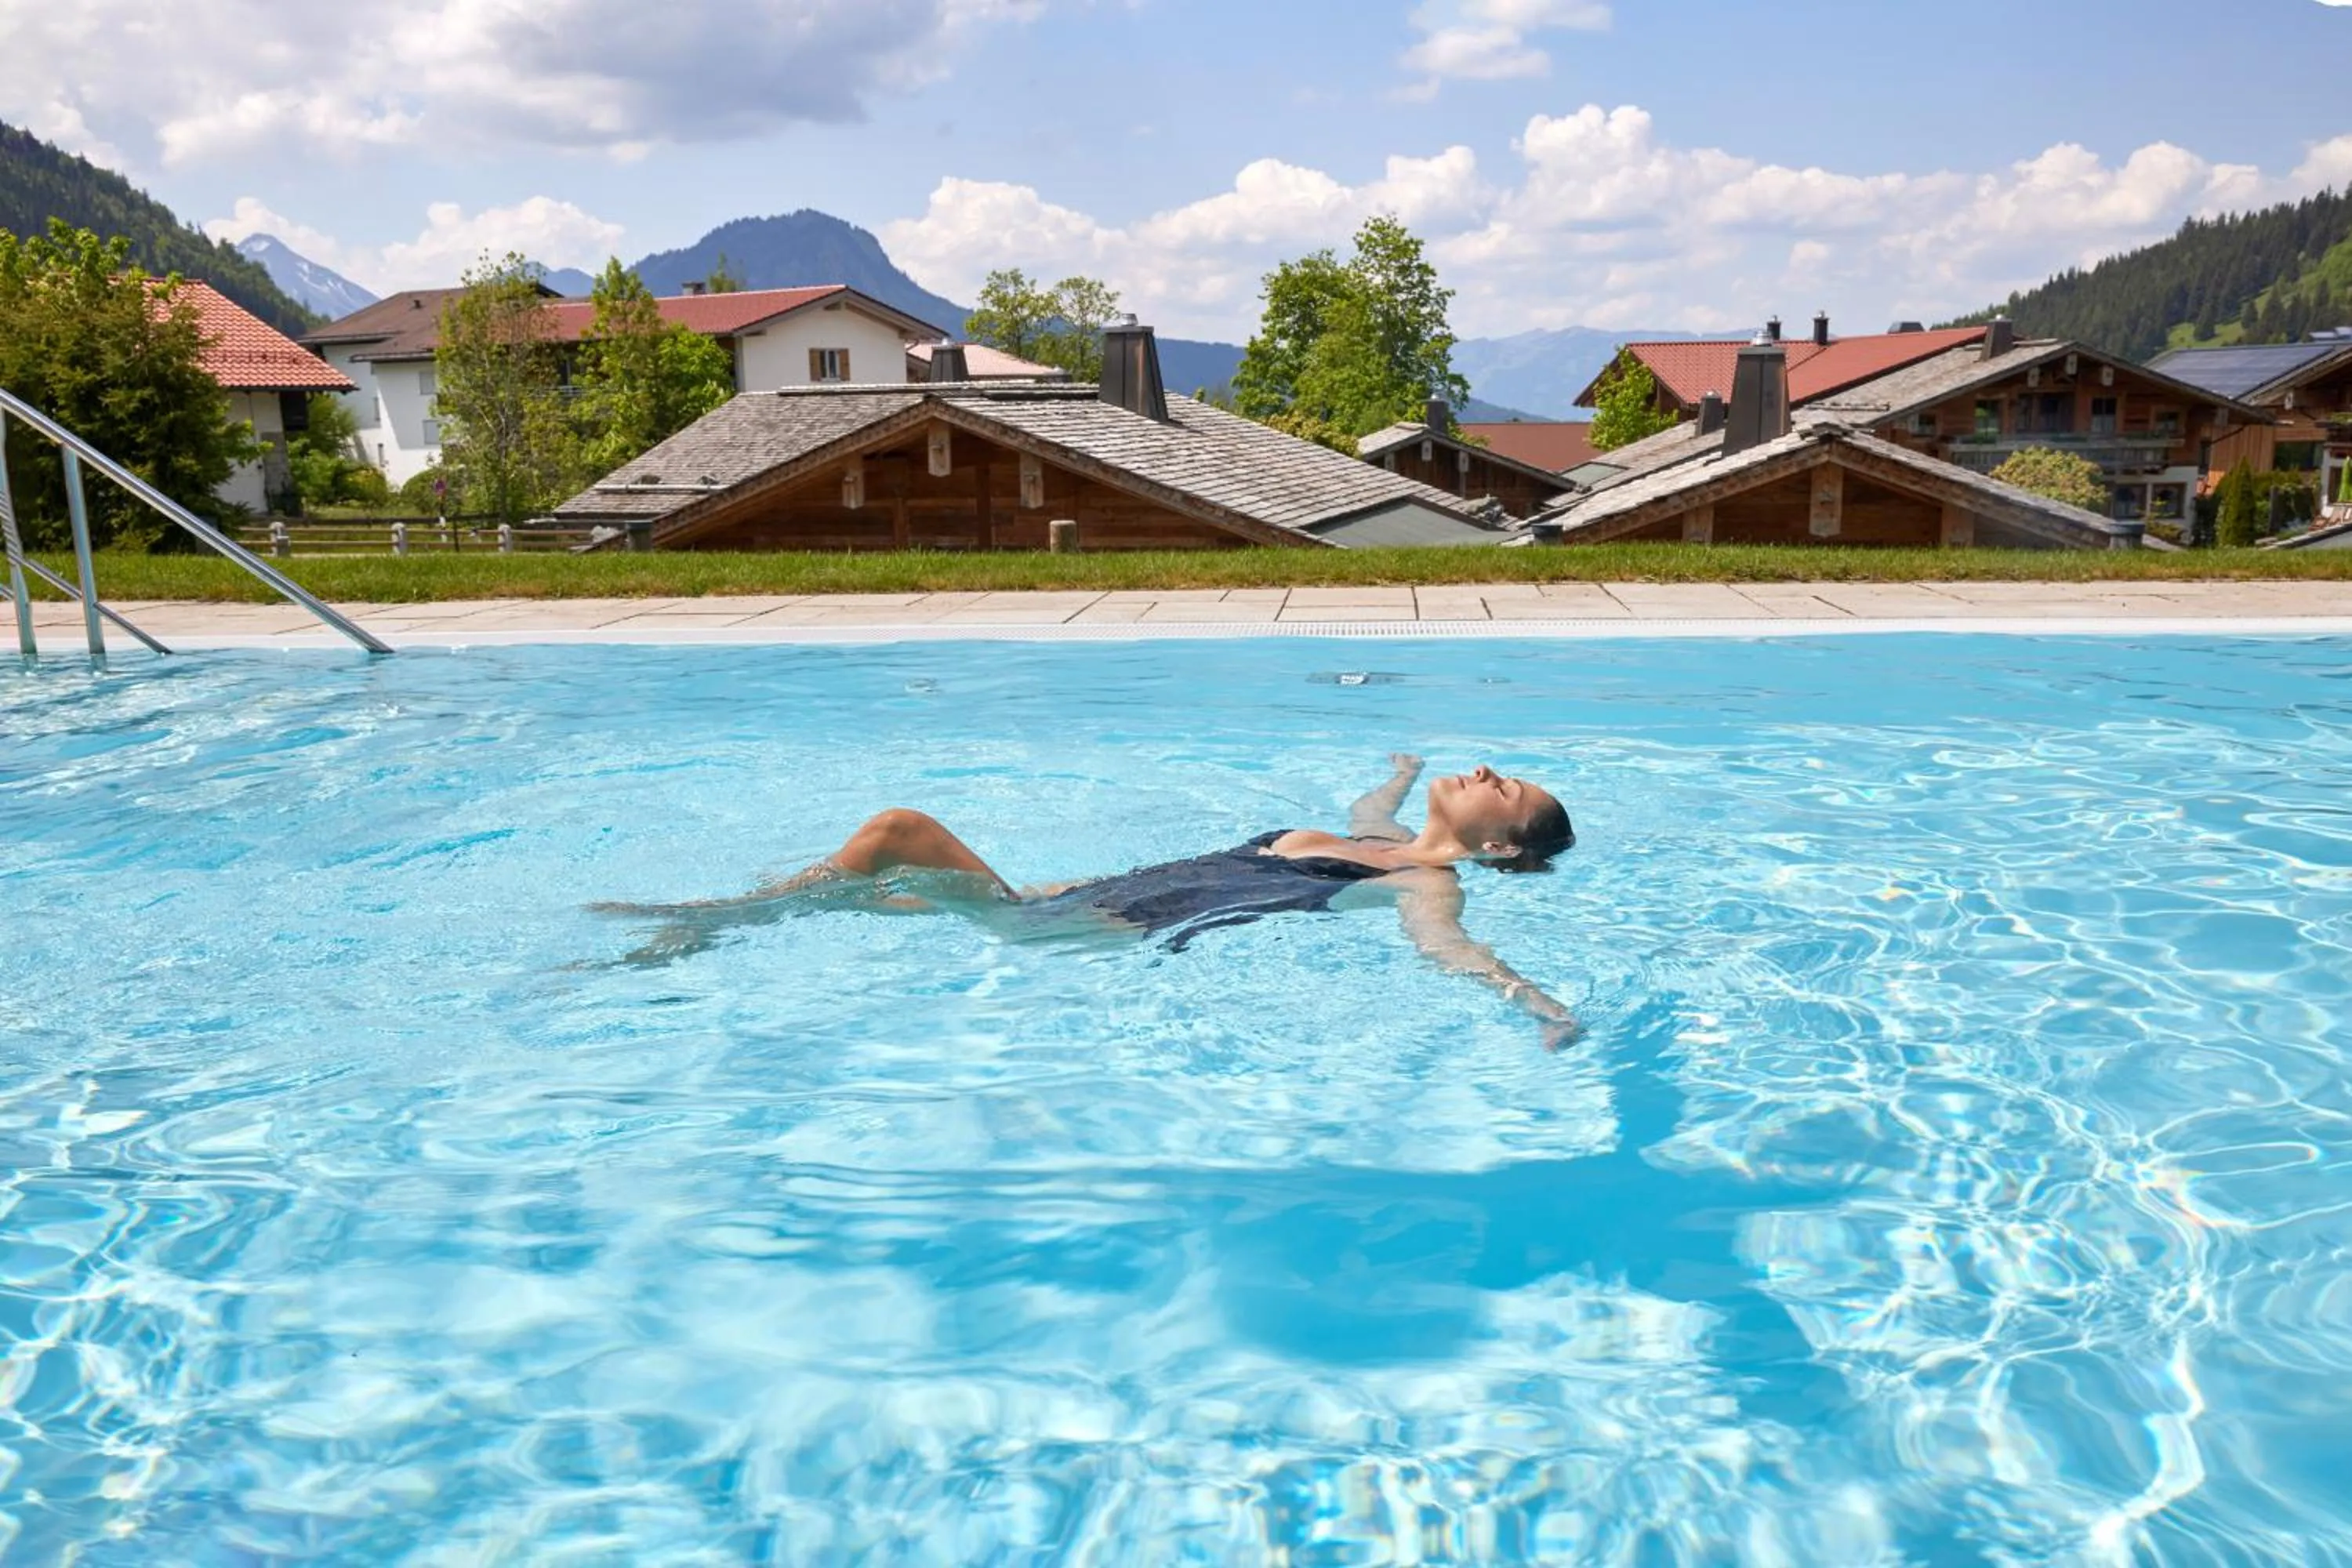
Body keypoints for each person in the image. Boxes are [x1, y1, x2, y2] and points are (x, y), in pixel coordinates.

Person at [591, 756, 1581, 1046]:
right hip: (1078, 897)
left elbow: (1446, 947)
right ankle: (696, 926)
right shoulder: (1378, 837)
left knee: (896, 830)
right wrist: (1400, 774)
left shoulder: (1425, 878)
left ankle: (704, 920)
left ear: (1498, 845)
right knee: (861, 895)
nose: (1491, 769)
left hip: (1088, 931)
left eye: (1506, 788)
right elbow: (1373, 808)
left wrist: (1533, 1002)